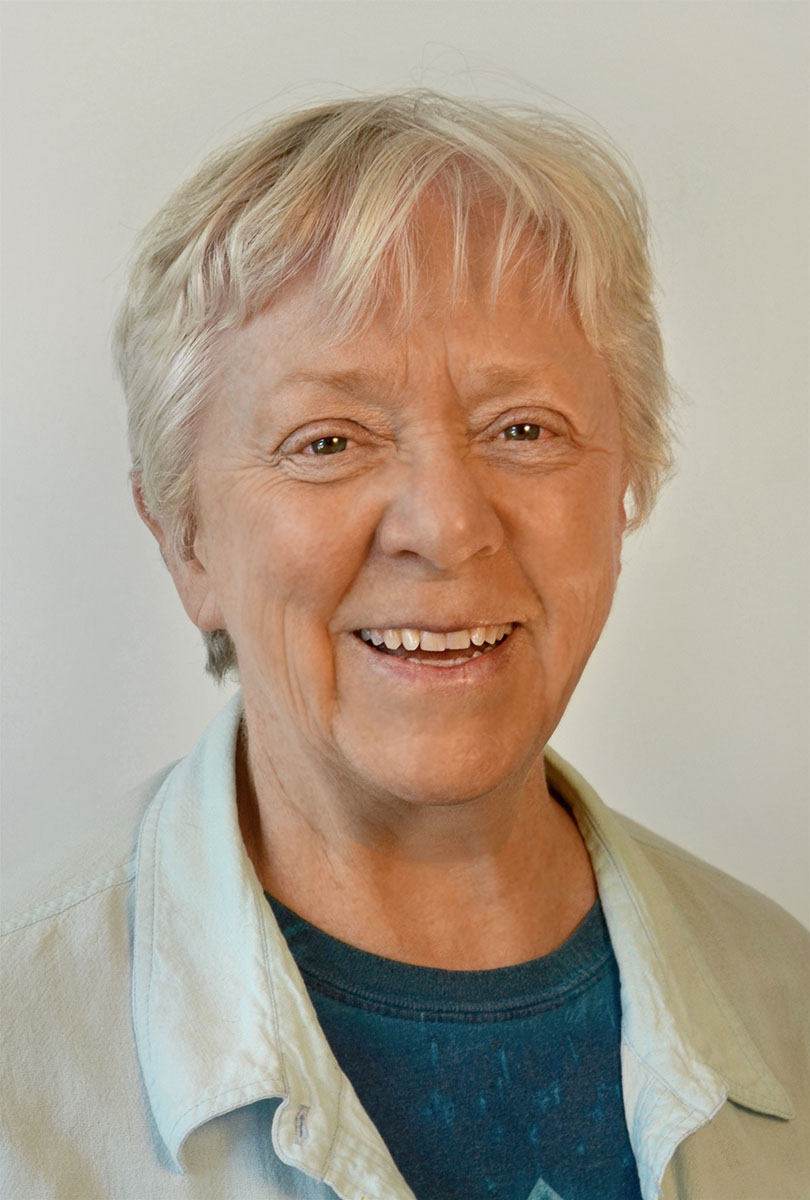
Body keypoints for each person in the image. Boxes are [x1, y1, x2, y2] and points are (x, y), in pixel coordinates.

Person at [1, 91, 806, 1200]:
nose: (445, 525)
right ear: (185, 541)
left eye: (522, 429)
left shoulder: (791, 996)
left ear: (628, 481)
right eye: (327, 441)